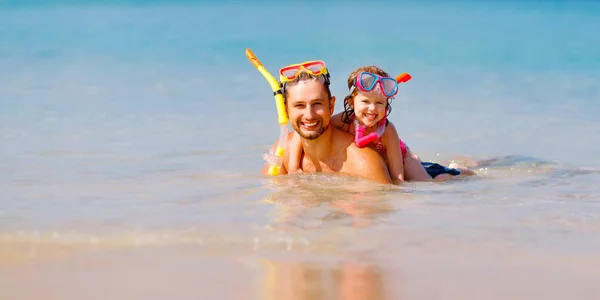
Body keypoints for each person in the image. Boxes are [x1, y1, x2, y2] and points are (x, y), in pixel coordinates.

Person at [287, 65, 476, 184]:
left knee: (428, 182)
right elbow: (301, 134)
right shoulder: (342, 120)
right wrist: (294, 167)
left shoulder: (387, 130)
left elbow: (398, 176)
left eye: (379, 103)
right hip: (381, 162)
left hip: (403, 161)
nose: (372, 109)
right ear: (352, 103)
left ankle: (458, 171)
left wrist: (395, 189)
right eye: (366, 102)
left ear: (386, 106)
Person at [260, 60, 393, 185]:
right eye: (299, 105)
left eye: (317, 103)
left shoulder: (364, 163)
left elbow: (389, 205)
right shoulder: (283, 151)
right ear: (286, 110)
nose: (309, 115)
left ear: (331, 106)